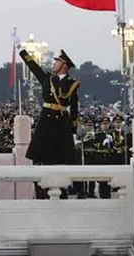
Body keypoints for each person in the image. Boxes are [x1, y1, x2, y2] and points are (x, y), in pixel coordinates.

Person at [18, 48, 80, 199]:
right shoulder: (48, 79)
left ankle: (62, 188)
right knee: (41, 156)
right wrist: (23, 53)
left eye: (57, 62)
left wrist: (73, 130)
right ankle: (41, 190)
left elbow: (74, 108)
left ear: (64, 65)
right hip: (46, 120)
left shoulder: (71, 83)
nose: (54, 64)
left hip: (61, 121)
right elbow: (34, 67)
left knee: (61, 157)